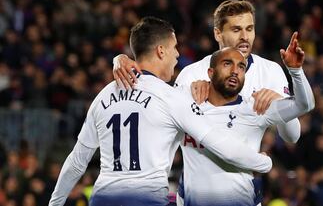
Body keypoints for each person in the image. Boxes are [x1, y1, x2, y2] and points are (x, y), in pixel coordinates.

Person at [48, 17, 274, 206]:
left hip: (102, 198)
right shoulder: (170, 98)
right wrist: (263, 162)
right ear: (160, 50)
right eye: (175, 48)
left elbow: (77, 161)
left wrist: (55, 203)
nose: (177, 56)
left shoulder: (103, 96)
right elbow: (222, 145)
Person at [113, 0, 301, 145]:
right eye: (236, 30)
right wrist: (121, 59)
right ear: (217, 34)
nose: (245, 37)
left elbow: (292, 137)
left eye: (249, 29)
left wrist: (280, 104)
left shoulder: (270, 72)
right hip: (194, 190)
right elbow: (167, 130)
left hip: (243, 187)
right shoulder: (192, 74)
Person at [176, 41, 314, 206]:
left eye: (241, 67)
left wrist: (296, 71)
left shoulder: (256, 107)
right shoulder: (186, 104)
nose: (235, 71)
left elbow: (305, 105)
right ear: (210, 73)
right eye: (227, 64)